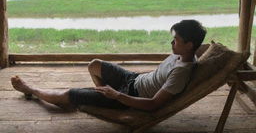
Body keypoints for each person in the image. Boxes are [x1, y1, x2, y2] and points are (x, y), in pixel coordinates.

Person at [11, 19, 206, 111]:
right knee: (94, 65)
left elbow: (154, 104)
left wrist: (117, 96)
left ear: (189, 44)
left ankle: (30, 89)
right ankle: (101, 97)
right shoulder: (185, 53)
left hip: (131, 96)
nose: (172, 43)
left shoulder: (181, 73)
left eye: (176, 40)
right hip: (134, 80)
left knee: (67, 95)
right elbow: (204, 46)